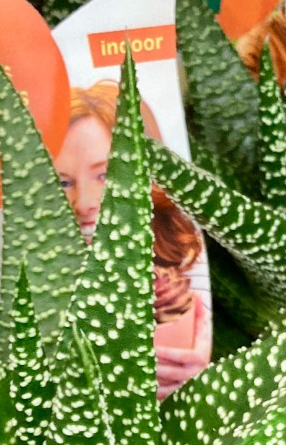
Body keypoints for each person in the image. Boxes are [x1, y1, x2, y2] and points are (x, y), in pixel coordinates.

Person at [54, 81, 211, 398]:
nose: (84, 201)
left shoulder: (175, 259)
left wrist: (197, 360)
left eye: (105, 175)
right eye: (63, 182)